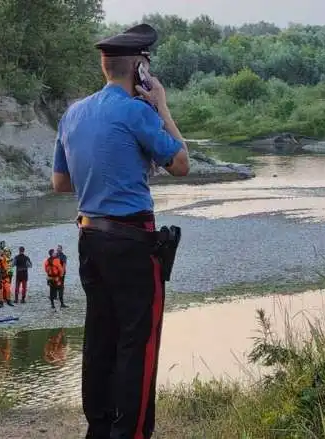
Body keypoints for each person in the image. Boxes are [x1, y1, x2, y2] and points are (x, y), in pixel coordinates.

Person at [51, 24, 189, 439]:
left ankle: (99, 428)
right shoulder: (137, 112)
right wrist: (162, 106)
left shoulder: (72, 113)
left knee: (100, 337)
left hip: (89, 238)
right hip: (132, 242)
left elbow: (60, 184)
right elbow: (182, 164)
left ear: (103, 66)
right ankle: (129, 433)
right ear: (140, 67)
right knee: (137, 342)